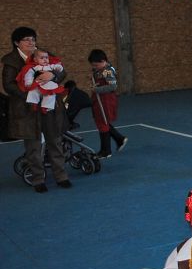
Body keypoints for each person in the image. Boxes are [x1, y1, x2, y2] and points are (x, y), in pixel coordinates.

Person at [2, 27, 72, 193]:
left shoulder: (44, 54)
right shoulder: (11, 61)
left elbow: (62, 72)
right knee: (33, 147)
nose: (31, 42)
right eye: (27, 40)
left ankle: (61, 176)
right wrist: (29, 94)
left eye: (33, 39)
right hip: (27, 109)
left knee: (55, 141)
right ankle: (38, 179)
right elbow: (8, 85)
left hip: (50, 106)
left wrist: (52, 76)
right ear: (17, 43)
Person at [88, 49, 128, 158]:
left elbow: (112, 86)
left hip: (105, 100)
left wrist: (97, 89)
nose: (95, 67)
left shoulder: (108, 71)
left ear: (103, 61)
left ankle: (106, 150)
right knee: (102, 122)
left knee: (103, 123)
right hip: (99, 99)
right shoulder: (100, 70)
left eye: (96, 65)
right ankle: (118, 139)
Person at [17, 48, 65, 113]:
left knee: (50, 95)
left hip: (48, 84)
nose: (45, 60)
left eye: (46, 58)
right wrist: (29, 81)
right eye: (42, 58)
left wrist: (59, 67)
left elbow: (58, 68)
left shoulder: (50, 66)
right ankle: (33, 103)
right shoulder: (34, 68)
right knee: (33, 91)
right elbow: (29, 74)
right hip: (37, 83)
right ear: (35, 60)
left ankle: (46, 107)